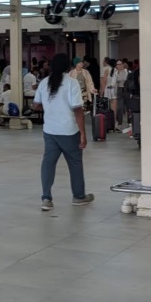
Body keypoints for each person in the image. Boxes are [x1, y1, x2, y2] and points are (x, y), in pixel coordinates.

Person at [31, 53, 93, 211]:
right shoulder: (72, 83)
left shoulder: (44, 83)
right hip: (69, 131)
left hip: (50, 130)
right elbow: (78, 110)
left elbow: (35, 105)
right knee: (75, 163)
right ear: (68, 67)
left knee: (48, 164)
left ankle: (46, 198)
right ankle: (78, 196)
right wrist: (83, 133)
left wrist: (50, 107)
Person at [114, 59, 129, 130]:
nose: (119, 66)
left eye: (120, 64)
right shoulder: (115, 73)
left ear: (123, 64)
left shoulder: (127, 72)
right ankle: (119, 123)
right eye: (117, 64)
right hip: (119, 90)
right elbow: (113, 82)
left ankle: (130, 123)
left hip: (127, 90)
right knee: (119, 107)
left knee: (128, 107)